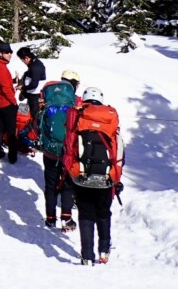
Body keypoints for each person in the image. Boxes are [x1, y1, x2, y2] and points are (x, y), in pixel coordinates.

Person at [62, 86, 125, 266]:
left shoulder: (78, 117)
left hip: (81, 176)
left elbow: (70, 147)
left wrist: (71, 171)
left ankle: (87, 256)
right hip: (106, 178)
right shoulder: (110, 120)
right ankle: (104, 251)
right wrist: (116, 178)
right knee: (103, 214)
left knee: (86, 214)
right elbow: (119, 151)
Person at [38, 70, 80, 230]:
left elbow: (39, 120)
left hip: (49, 151)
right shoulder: (76, 101)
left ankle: (50, 218)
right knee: (68, 184)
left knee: (50, 185)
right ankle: (66, 217)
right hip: (68, 151)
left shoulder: (48, 98)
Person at [0, 42, 19, 163]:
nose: (9, 54)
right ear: (0, 53)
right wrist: (14, 102)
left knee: (1, 128)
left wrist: (13, 81)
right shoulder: (1, 67)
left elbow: (3, 82)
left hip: (1, 102)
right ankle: (12, 157)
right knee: (11, 131)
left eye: (10, 52)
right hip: (7, 103)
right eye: (7, 52)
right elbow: (5, 88)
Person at [17, 46, 46, 120]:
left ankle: (34, 126)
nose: (23, 62)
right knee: (31, 113)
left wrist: (23, 88)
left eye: (23, 60)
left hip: (35, 96)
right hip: (32, 94)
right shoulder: (33, 63)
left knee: (35, 116)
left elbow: (34, 84)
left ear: (27, 58)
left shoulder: (35, 66)